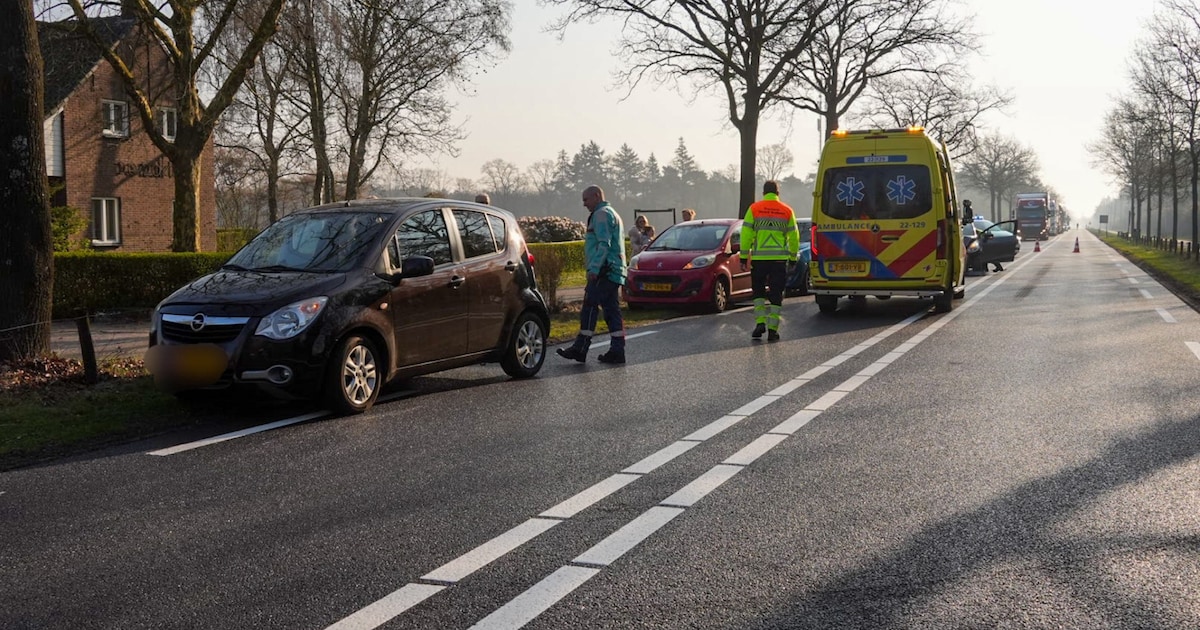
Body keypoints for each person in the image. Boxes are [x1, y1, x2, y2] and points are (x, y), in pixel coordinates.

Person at [557, 185, 628, 364]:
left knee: (589, 306)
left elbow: (603, 244)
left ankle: (580, 348)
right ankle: (617, 350)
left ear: (596, 196)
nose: (584, 204)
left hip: (604, 270)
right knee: (612, 310)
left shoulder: (601, 214)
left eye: (586, 199)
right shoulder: (611, 212)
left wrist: (594, 268)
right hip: (614, 269)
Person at [740, 180, 799, 342]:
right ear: (777, 193)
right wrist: (793, 258)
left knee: (758, 292)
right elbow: (794, 237)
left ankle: (760, 322)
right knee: (776, 294)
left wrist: (744, 256)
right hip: (779, 260)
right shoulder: (787, 211)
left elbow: (745, 234)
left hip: (759, 259)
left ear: (763, 193)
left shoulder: (754, 209)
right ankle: (773, 330)